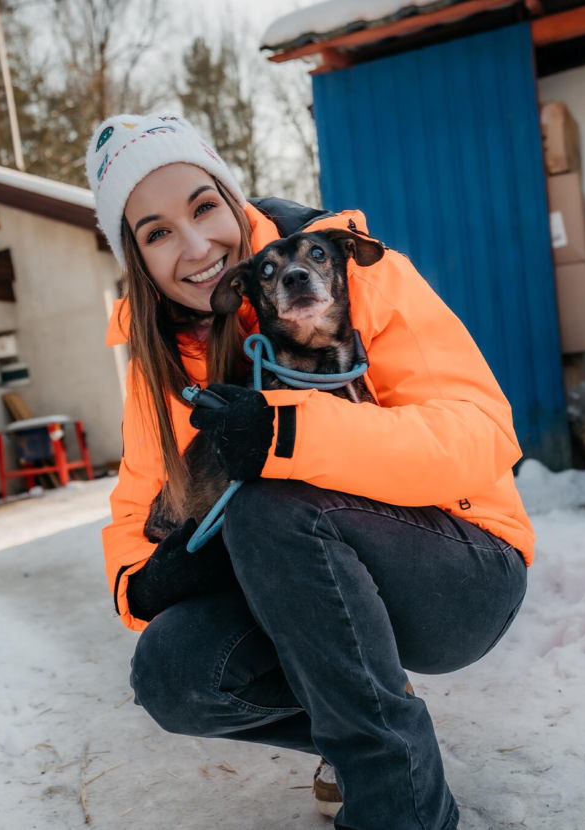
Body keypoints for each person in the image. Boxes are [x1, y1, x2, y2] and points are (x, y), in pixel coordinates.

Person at [86, 112, 535, 830]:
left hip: (461, 567)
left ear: (232, 198)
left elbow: (484, 433)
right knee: (172, 673)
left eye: (203, 206)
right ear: (135, 257)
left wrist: (288, 434)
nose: (196, 246)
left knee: (267, 503)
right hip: (308, 578)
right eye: (157, 231)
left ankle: (399, 809)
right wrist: (139, 582)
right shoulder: (159, 361)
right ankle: (378, 731)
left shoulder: (351, 268)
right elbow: (137, 504)